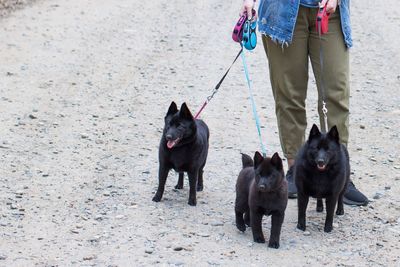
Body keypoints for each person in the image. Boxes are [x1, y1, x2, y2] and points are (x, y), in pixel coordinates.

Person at [240, 0, 368, 206]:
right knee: (288, 95)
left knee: (335, 94)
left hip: (330, 12)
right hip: (281, 11)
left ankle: (339, 175)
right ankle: (296, 172)